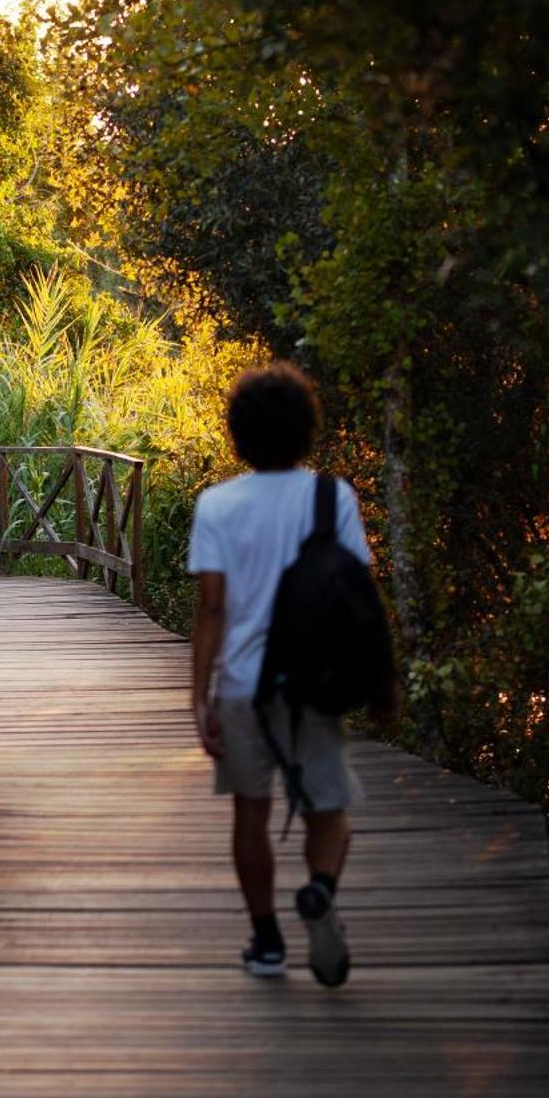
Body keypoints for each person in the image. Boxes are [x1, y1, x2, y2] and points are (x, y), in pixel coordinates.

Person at [187, 362, 372, 987]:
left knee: (250, 815)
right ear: (305, 430)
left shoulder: (217, 504)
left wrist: (199, 697)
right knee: (331, 809)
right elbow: (357, 588)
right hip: (313, 684)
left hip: (242, 687)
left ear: (239, 434)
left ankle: (266, 942)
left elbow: (212, 607)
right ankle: (320, 889)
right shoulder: (332, 497)